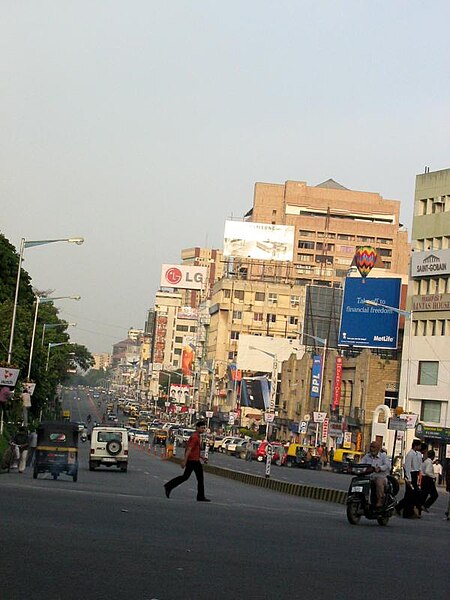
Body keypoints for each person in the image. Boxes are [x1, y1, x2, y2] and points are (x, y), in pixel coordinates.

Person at [164, 421, 210, 502]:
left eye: (204, 428)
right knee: (193, 478)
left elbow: (195, 451)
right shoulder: (195, 437)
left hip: (195, 460)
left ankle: (169, 486)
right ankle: (169, 486)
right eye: (202, 428)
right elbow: (189, 449)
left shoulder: (197, 436)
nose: (203, 429)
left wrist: (202, 457)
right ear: (197, 427)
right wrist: (184, 461)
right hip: (192, 461)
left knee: (189, 477)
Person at [396, 439, 423, 518]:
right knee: (410, 494)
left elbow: (419, 465)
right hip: (411, 474)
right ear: (415, 446)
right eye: (419, 446)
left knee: (412, 495)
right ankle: (406, 512)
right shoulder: (410, 454)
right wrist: (409, 478)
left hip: (416, 474)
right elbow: (407, 467)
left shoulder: (418, 454)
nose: (420, 447)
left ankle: (401, 508)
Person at [361, 440, 391, 508]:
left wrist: (380, 468)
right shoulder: (367, 456)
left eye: (373, 447)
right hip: (369, 477)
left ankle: (380, 500)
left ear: (378, 448)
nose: (371, 449)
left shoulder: (383, 456)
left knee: (378, 480)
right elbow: (361, 464)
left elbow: (388, 465)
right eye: (371, 447)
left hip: (381, 477)